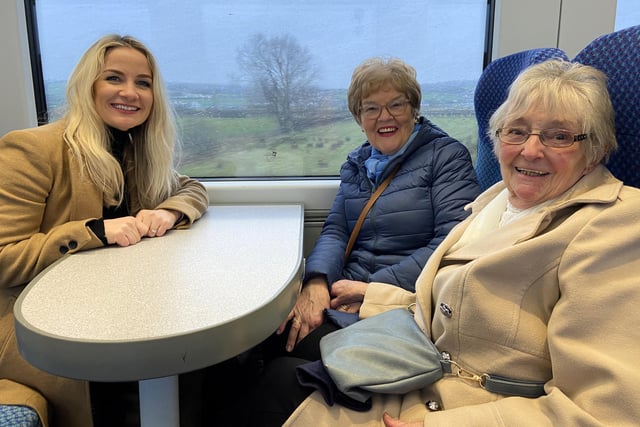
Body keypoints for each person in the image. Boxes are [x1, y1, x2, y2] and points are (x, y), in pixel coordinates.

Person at [249, 59, 640, 426]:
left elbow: (604, 412)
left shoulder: (617, 226)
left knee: (271, 381)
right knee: (266, 354)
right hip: (418, 347)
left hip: (465, 402)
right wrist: (338, 286)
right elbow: (455, 299)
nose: (531, 150)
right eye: (516, 131)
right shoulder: (499, 198)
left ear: (597, 149)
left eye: (559, 136)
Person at [0, 34, 208, 427]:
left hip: (117, 309)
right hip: (43, 329)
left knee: (205, 368)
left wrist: (169, 212)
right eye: (114, 78)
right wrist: (95, 230)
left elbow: (192, 188)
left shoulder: (134, 150)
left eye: (143, 83)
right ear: (87, 86)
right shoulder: (33, 149)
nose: (130, 92)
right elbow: (4, 259)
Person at [271, 57, 480, 360]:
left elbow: (452, 242)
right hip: (346, 290)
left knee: (288, 349)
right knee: (266, 333)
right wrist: (317, 282)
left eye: (396, 105)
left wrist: (371, 290)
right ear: (358, 117)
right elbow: (336, 230)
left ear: (414, 109)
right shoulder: (357, 165)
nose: (385, 117)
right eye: (371, 108)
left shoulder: (446, 157)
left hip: (403, 300)